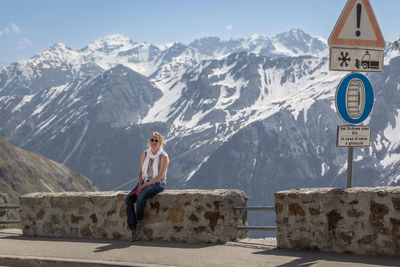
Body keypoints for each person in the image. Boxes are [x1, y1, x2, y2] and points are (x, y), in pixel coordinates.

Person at [124, 132, 169, 231]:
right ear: (149, 141)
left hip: (158, 184)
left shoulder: (164, 156)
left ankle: (138, 219)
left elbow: (159, 177)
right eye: (152, 140)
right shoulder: (145, 154)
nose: (153, 142)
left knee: (141, 196)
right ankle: (132, 226)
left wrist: (143, 187)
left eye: (156, 140)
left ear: (160, 143)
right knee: (128, 199)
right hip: (144, 182)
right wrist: (140, 183)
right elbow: (140, 172)